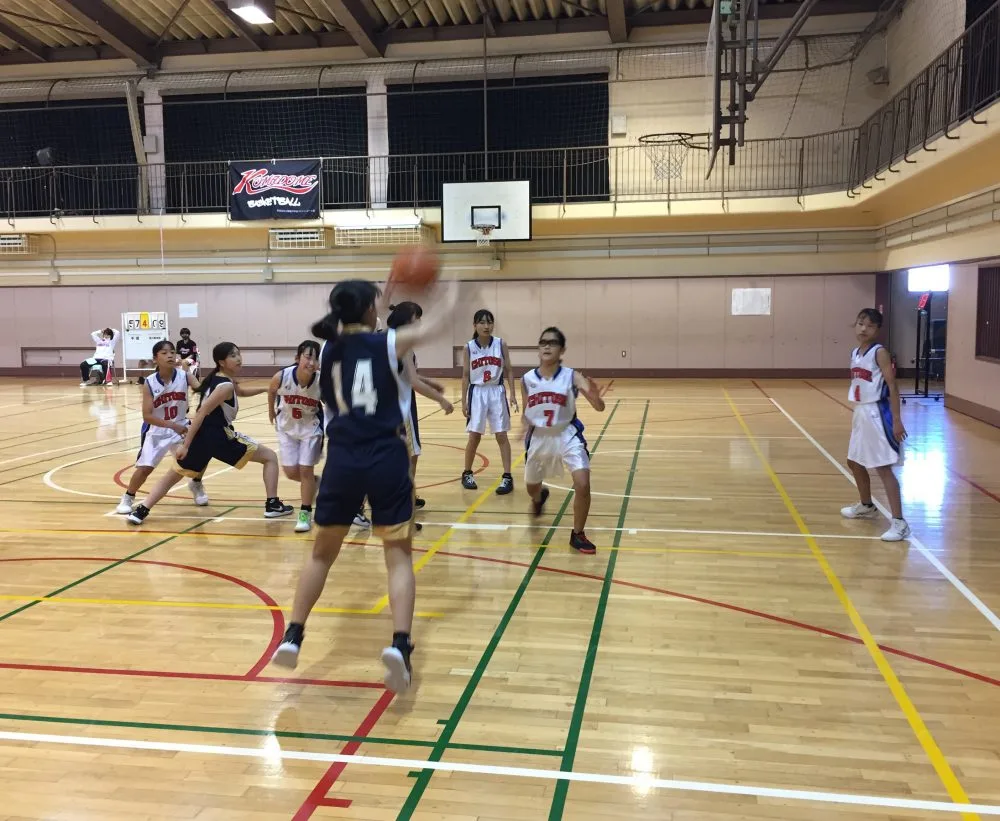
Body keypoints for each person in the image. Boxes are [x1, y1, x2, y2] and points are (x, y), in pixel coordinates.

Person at [271, 275, 458, 694]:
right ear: (372, 310)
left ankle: (294, 634)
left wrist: (381, 296)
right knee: (398, 557)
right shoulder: (388, 343)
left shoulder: (329, 349)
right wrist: (451, 289)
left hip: (342, 459)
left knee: (321, 556)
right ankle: (400, 645)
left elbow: (360, 324)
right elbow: (439, 324)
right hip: (386, 456)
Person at [126, 341, 293, 525]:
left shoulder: (218, 378)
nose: (238, 358)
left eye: (238, 354)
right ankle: (272, 505)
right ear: (221, 362)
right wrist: (185, 446)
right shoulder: (224, 386)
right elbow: (201, 413)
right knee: (270, 457)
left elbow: (240, 391)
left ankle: (141, 510)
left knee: (173, 476)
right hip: (218, 436)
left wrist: (265, 388)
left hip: (202, 438)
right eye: (233, 356)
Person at [522, 327, 605, 555]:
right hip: (539, 436)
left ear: (562, 350)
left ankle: (578, 534)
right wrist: (523, 426)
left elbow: (599, 407)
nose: (547, 346)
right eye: (543, 342)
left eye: (552, 343)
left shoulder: (572, 376)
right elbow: (528, 410)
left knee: (583, 482)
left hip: (567, 433)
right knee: (531, 487)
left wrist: (596, 397)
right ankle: (539, 498)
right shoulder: (527, 379)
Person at [839, 308, 910, 542]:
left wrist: (897, 420)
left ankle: (899, 523)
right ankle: (867, 506)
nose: (864, 329)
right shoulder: (855, 352)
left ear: (877, 330)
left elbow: (893, 385)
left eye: (870, 325)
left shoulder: (879, 352)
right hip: (861, 412)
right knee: (854, 461)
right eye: (861, 324)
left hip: (878, 413)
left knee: (883, 467)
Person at [116, 341, 207, 514]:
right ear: (155, 359)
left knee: (201, 453)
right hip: (157, 429)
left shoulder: (184, 376)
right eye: (164, 353)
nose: (170, 355)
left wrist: (216, 379)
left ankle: (196, 484)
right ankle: (128, 496)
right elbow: (147, 416)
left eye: (172, 352)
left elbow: (203, 390)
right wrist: (172, 425)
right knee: (145, 469)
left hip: (181, 426)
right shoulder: (149, 382)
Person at [386, 301, 455, 524]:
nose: (421, 323)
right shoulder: (403, 343)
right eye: (418, 318)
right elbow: (413, 382)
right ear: (408, 321)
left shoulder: (384, 338)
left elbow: (407, 374)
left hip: (383, 407)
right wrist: (441, 400)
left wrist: (429, 382)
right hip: (400, 408)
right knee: (409, 459)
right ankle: (403, 508)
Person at [268, 341, 323, 533]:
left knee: (306, 469)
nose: (311, 362)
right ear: (298, 358)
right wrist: (271, 411)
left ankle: (305, 513)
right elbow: (271, 391)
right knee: (291, 472)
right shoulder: (281, 376)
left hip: (310, 428)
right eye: (308, 357)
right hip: (287, 427)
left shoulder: (321, 381)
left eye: (315, 358)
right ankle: (316, 483)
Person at [461, 309, 518, 494]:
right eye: (482, 322)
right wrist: (463, 401)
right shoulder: (469, 347)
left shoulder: (501, 344)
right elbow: (465, 376)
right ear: (475, 325)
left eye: (489, 322)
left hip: (496, 391)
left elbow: (509, 370)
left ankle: (507, 476)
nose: (486, 326)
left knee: (501, 435)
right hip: (477, 392)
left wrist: (512, 394)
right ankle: (467, 473)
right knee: (474, 436)